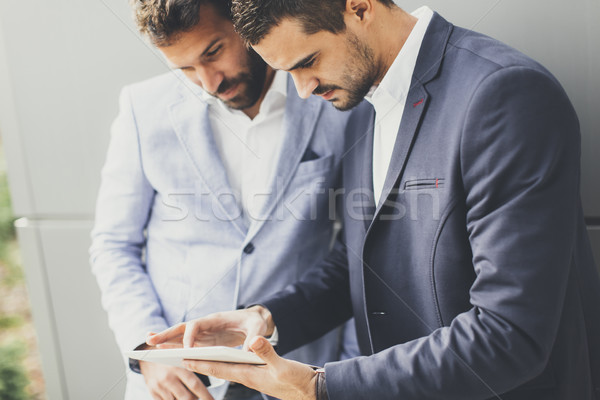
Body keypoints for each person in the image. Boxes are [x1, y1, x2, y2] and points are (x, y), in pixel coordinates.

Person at [147, 0, 600, 399]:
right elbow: (363, 261)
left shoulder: (504, 94)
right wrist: (266, 317)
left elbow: (509, 335)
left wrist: (320, 386)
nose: (303, 89)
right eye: (289, 73)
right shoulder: (358, 103)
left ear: (359, 6)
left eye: (308, 61)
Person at [89, 0, 359, 399]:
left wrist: (346, 368)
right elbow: (113, 245)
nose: (208, 81)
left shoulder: (335, 100)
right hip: (176, 379)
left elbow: (359, 254)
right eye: (184, 69)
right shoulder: (141, 109)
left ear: (245, 22)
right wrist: (146, 353)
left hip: (297, 372)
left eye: (213, 52)